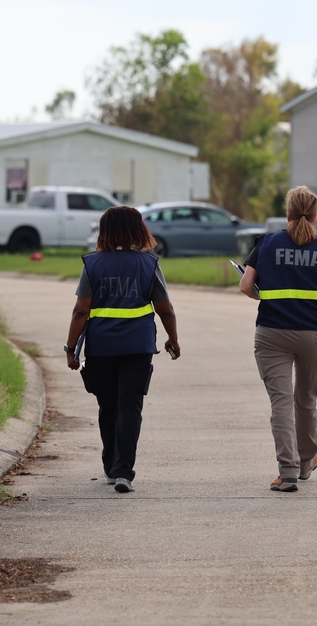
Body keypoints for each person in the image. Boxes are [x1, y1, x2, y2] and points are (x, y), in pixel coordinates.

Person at [64, 205, 181, 494]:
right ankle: (123, 471)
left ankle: (109, 464)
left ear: (105, 232)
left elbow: (81, 310)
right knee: (130, 407)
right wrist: (172, 338)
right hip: (138, 347)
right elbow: (164, 308)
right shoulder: (149, 264)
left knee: (108, 406)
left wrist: (71, 348)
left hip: (101, 347)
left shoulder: (93, 264)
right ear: (138, 230)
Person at [240, 185, 317, 493]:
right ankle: (306, 460)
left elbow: (246, 286)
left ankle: (287, 474)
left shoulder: (266, 244)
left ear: (287, 212)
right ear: (315, 215)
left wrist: (267, 297)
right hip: (314, 333)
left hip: (272, 333)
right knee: (306, 400)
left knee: (281, 404)